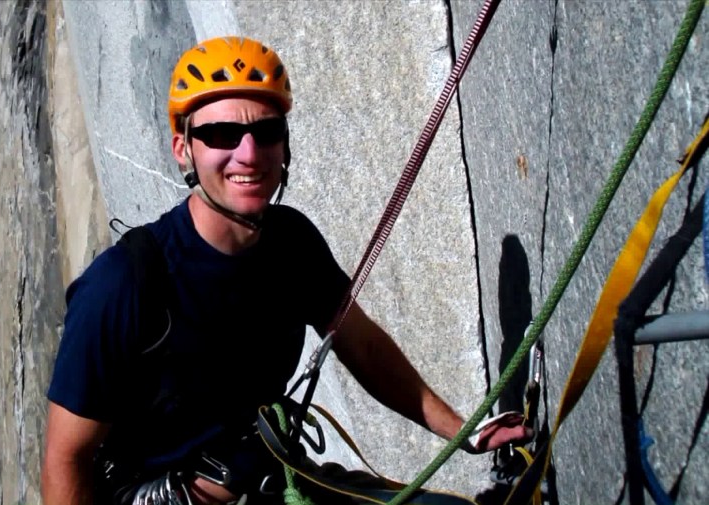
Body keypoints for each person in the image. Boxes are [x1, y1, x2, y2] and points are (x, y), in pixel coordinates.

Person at [41, 36, 530, 505]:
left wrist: (464, 430)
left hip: (270, 481)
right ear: (183, 148)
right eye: (221, 134)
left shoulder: (290, 242)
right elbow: (66, 458)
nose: (249, 154)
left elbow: (362, 345)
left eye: (267, 130)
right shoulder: (123, 285)